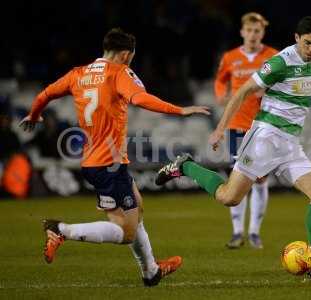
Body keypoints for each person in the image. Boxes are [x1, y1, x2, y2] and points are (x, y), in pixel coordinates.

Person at [155, 16, 311, 278]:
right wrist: (220, 129)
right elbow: (242, 92)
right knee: (229, 198)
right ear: (297, 39)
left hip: (290, 144)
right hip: (265, 138)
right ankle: (185, 165)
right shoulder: (280, 62)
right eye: (307, 43)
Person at [19, 28, 210, 286]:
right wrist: (180, 110)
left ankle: (151, 272)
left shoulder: (78, 73)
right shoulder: (119, 72)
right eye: (131, 56)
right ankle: (61, 230)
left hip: (93, 162)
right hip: (109, 164)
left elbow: (45, 95)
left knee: (137, 206)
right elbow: (140, 98)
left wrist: (33, 115)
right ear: (125, 54)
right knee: (127, 232)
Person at [214, 12, 278, 249]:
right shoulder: (230, 57)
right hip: (237, 125)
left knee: (260, 180)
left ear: (263, 33)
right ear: (242, 32)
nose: (252, 35)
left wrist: (270, 90)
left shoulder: (272, 56)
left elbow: (283, 82)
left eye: (257, 31)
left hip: (265, 125)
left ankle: (254, 232)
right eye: (249, 31)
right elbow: (220, 80)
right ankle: (237, 232)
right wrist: (221, 95)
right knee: (238, 179)